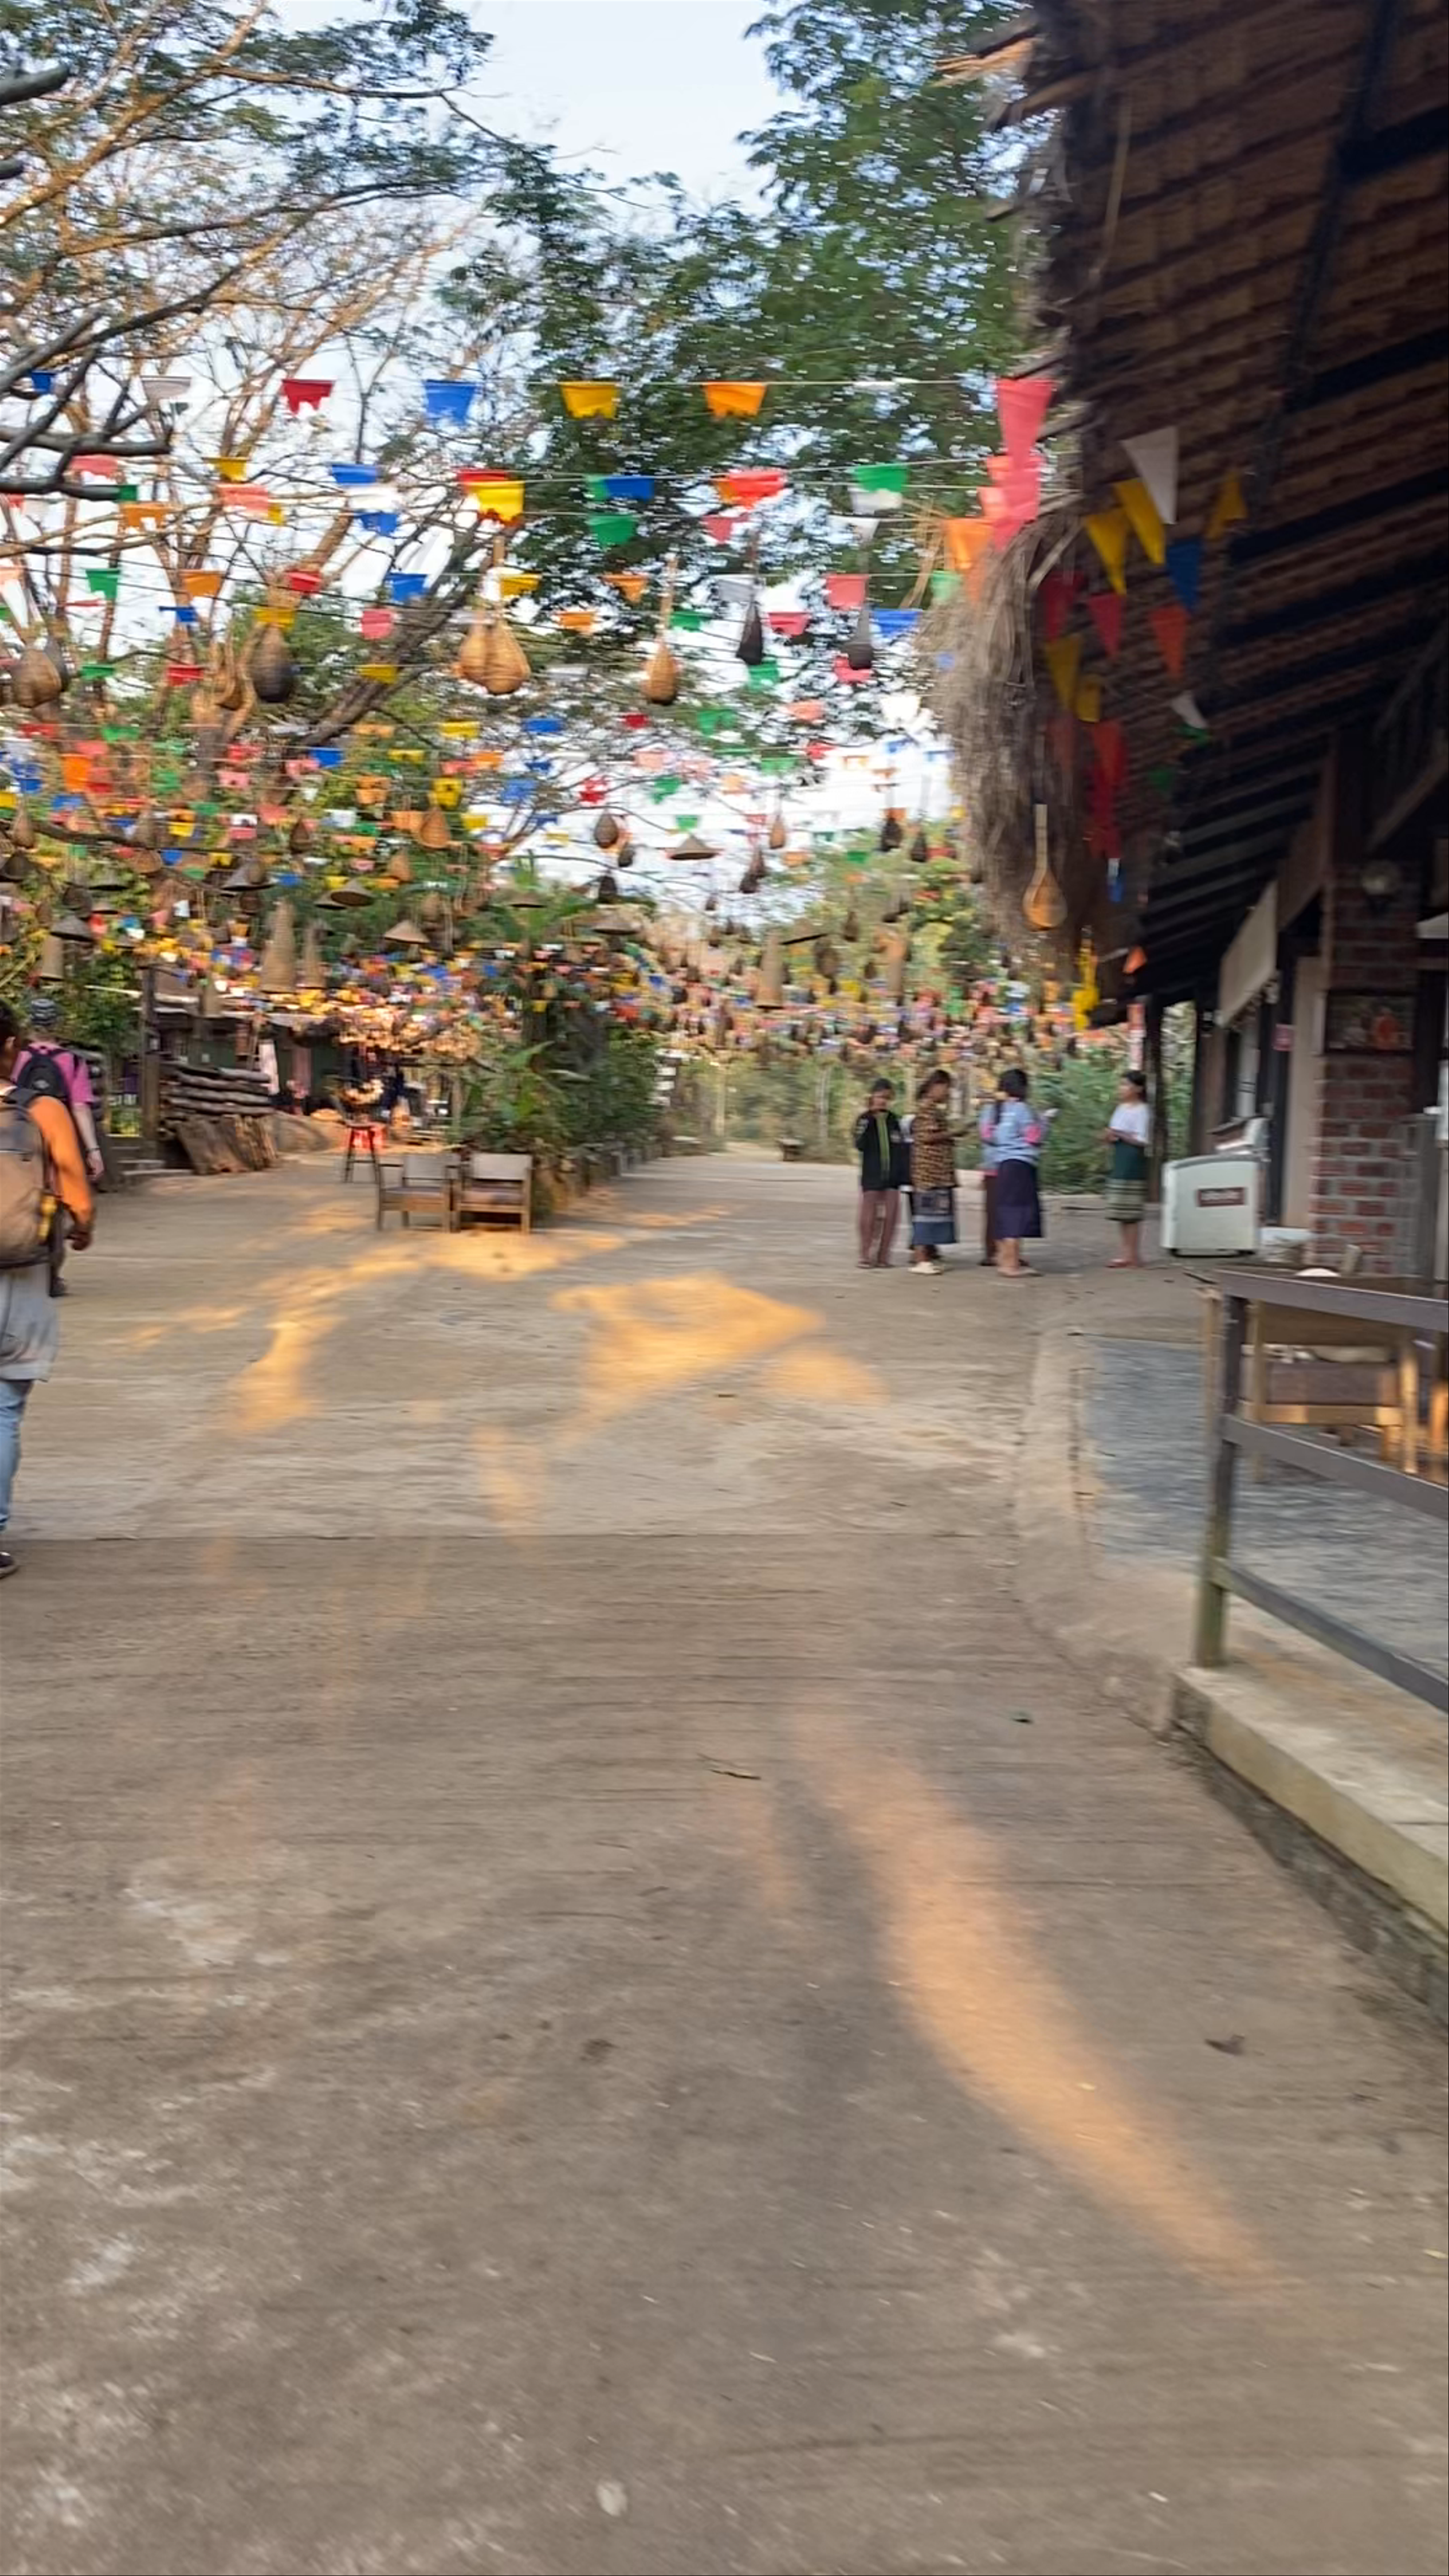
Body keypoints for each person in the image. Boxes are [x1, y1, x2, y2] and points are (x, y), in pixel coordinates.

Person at [0, 1002, 94, 1578]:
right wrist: (81, 1228)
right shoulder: (42, 1108)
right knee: (3, 1405)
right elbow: (79, 1197)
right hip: (20, 1272)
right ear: (12, 1044)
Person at [13, 997, 105, 1183]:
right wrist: (93, 1151)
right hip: (60, 1139)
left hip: (21, 1136)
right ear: (57, 1024)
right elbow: (80, 1109)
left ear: (30, 1024)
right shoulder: (73, 1061)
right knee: (69, 1195)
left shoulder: (15, 1058)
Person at [993, 1067, 1047, 1278]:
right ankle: (1012, 1265)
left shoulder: (1001, 1110)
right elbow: (1034, 1137)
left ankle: (1005, 1260)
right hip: (1021, 1164)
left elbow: (992, 1135)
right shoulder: (1023, 1109)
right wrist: (1044, 1122)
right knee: (1018, 1213)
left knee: (1006, 1211)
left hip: (1003, 1164)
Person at [852, 1078, 908, 1268]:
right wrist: (869, 1122)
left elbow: (901, 1148)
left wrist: (903, 1174)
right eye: (879, 1096)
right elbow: (859, 1145)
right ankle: (866, 1255)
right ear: (872, 1096)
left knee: (891, 1216)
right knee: (868, 1216)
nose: (882, 1101)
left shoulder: (894, 1120)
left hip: (892, 1177)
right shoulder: (865, 1119)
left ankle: (884, 1256)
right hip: (872, 1174)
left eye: (887, 1097)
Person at [908, 1069, 958, 1274]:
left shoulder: (935, 1109)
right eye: (946, 1088)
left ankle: (928, 1256)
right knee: (925, 1215)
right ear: (935, 1086)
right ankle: (921, 1258)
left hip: (938, 1172)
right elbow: (928, 1137)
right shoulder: (926, 1108)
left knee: (935, 1214)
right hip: (928, 1172)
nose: (947, 1093)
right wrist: (954, 1133)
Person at [1103, 1067, 1151, 1267]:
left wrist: (1121, 1135)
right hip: (1120, 1157)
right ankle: (1126, 1254)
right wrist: (1109, 1137)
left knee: (1131, 1211)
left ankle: (1134, 1255)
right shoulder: (1121, 1108)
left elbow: (1142, 1140)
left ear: (1138, 1089)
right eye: (1121, 1084)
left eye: (1126, 1085)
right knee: (1122, 1211)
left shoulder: (1142, 1110)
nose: (1122, 1089)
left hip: (1133, 1159)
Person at [977, 1079, 1004, 1267]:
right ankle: (992, 1251)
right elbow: (987, 1135)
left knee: (1011, 1211)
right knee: (993, 1210)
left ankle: (1009, 1251)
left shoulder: (1019, 1109)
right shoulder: (990, 1111)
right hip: (994, 1166)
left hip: (1011, 1165)